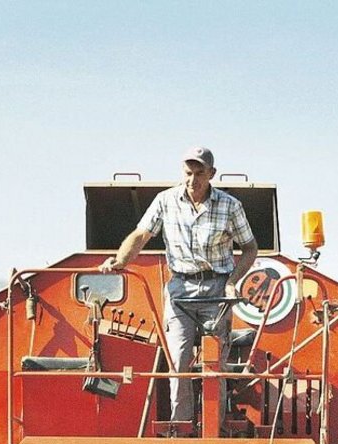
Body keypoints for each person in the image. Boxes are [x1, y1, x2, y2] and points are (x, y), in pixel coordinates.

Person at [99, 146, 259, 424]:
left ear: (212, 174)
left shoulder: (230, 206)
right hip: (179, 290)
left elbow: (250, 248)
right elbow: (142, 234)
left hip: (217, 291)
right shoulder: (165, 201)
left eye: (199, 173)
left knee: (214, 365)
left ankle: (215, 429)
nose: (192, 179)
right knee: (178, 360)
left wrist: (233, 282)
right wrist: (120, 260)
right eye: (188, 173)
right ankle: (181, 426)